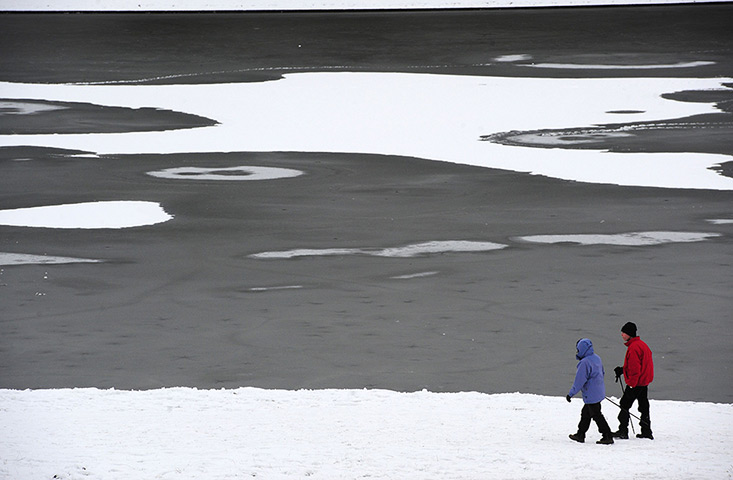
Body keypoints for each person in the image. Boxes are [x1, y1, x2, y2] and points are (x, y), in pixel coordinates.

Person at [566, 338, 614, 445]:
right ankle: (580, 434)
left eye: (578, 350)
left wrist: (571, 394)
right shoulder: (597, 358)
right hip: (598, 391)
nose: (577, 352)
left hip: (591, 394)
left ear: (582, 349)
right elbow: (602, 372)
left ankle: (607, 435)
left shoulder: (584, 363)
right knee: (586, 413)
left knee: (596, 415)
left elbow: (579, 381)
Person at [613, 321, 654, 439]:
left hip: (636, 383)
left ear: (629, 334)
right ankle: (646, 431)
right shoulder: (643, 345)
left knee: (624, 404)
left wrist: (631, 384)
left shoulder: (633, 348)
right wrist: (623, 370)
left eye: (623, 332)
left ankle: (623, 431)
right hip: (644, 382)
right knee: (643, 406)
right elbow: (641, 365)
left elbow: (635, 369)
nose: (621, 334)